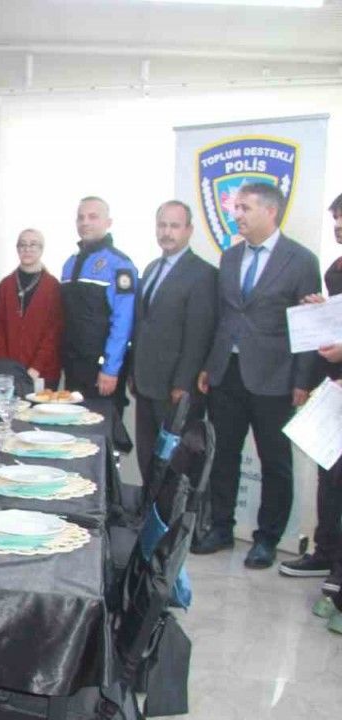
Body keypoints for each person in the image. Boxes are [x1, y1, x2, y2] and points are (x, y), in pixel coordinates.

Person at [193, 183, 320, 569]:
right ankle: (221, 527)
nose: (237, 215)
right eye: (236, 208)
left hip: (275, 377)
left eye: (245, 208)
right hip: (227, 373)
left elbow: (308, 326)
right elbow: (223, 317)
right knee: (224, 455)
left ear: (270, 211)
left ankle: (267, 539)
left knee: (274, 462)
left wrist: (302, 380)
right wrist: (209, 365)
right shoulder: (230, 256)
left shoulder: (300, 260)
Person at [130, 201, 217, 496]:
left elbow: (198, 336)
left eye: (174, 226)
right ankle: (148, 512)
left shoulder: (203, 274)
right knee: (148, 456)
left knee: (175, 462)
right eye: (162, 225)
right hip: (146, 383)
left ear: (189, 230)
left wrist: (183, 384)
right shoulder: (151, 268)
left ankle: (170, 518)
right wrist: (133, 372)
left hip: (175, 388)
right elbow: (142, 326)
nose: (167, 232)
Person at [282, 191, 342, 584]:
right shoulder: (336, 266)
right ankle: (326, 553)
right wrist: (325, 312)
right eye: (336, 220)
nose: (338, 227)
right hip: (333, 384)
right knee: (329, 475)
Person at [60, 197, 137, 406]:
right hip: (73, 366)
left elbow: (123, 321)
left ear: (108, 222)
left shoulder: (120, 264)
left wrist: (110, 368)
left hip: (101, 370)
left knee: (103, 424)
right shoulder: (69, 264)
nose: (85, 222)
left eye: (93, 217)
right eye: (81, 217)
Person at [0, 229, 64, 389]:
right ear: (17, 249)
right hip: (9, 372)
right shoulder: (5, 285)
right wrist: (5, 367)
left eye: (33, 245)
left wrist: (36, 367)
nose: (27, 249)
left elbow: (53, 332)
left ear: (42, 249)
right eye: (22, 245)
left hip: (43, 372)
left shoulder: (53, 287)